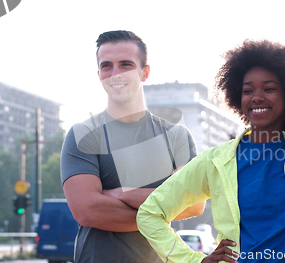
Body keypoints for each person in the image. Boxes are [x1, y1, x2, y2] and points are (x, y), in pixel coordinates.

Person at [137, 39, 285, 263]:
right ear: (237, 97)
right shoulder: (217, 161)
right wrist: (195, 260)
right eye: (247, 90)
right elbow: (150, 214)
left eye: (269, 88)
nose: (257, 97)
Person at [60, 30, 204, 263]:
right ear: (99, 74)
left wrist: (121, 193)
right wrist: (161, 207)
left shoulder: (177, 136)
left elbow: (194, 205)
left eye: (126, 64)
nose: (115, 74)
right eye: (106, 66)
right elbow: (88, 210)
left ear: (144, 72)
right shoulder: (82, 135)